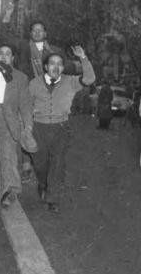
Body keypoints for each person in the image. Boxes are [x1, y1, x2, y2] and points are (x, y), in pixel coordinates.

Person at [28, 48, 95, 213]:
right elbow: (26, 106)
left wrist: (83, 58)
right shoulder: (34, 83)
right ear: (45, 67)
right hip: (39, 127)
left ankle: (53, 198)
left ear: (63, 68)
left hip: (61, 127)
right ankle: (43, 183)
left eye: (59, 64)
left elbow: (90, 78)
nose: (56, 67)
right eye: (52, 64)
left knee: (57, 164)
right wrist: (27, 128)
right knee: (39, 164)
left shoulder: (71, 82)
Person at [0, 44, 35, 208]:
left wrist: (28, 125)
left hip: (7, 120)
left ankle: (10, 190)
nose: (4, 56)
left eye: (8, 54)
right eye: (0, 53)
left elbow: (25, 105)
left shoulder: (20, 77)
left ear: (12, 58)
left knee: (8, 155)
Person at [16, 20, 64, 182]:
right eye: (34, 30)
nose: (37, 33)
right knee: (27, 127)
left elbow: (66, 69)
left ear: (45, 34)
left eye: (40, 30)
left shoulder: (54, 51)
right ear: (30, 33)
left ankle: (44, 166)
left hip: (48, 95)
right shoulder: (24, 48)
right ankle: (26, 165)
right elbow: (7, 39)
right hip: (28, 93)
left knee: (45, 131)